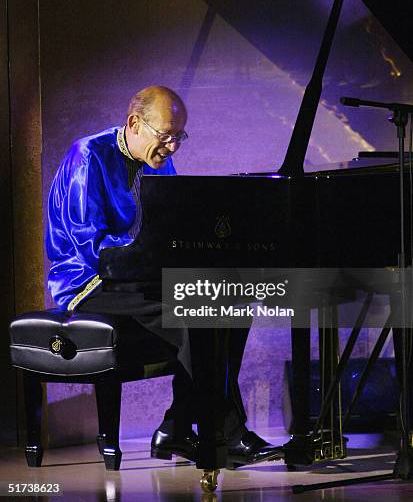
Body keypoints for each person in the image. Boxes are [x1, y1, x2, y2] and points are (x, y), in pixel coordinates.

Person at [46, 84, 281, 468]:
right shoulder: (87, 156)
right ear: (134, 123)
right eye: (166, 136)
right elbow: (89, 244)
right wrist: (158, 261)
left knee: (234, 305)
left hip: (136, 274)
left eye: (178, 137)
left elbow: (166, 225)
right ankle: (224, 433)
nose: (173, 147)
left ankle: (176, 426)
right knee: (196, 315)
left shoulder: (158, 160)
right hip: (89, 281)